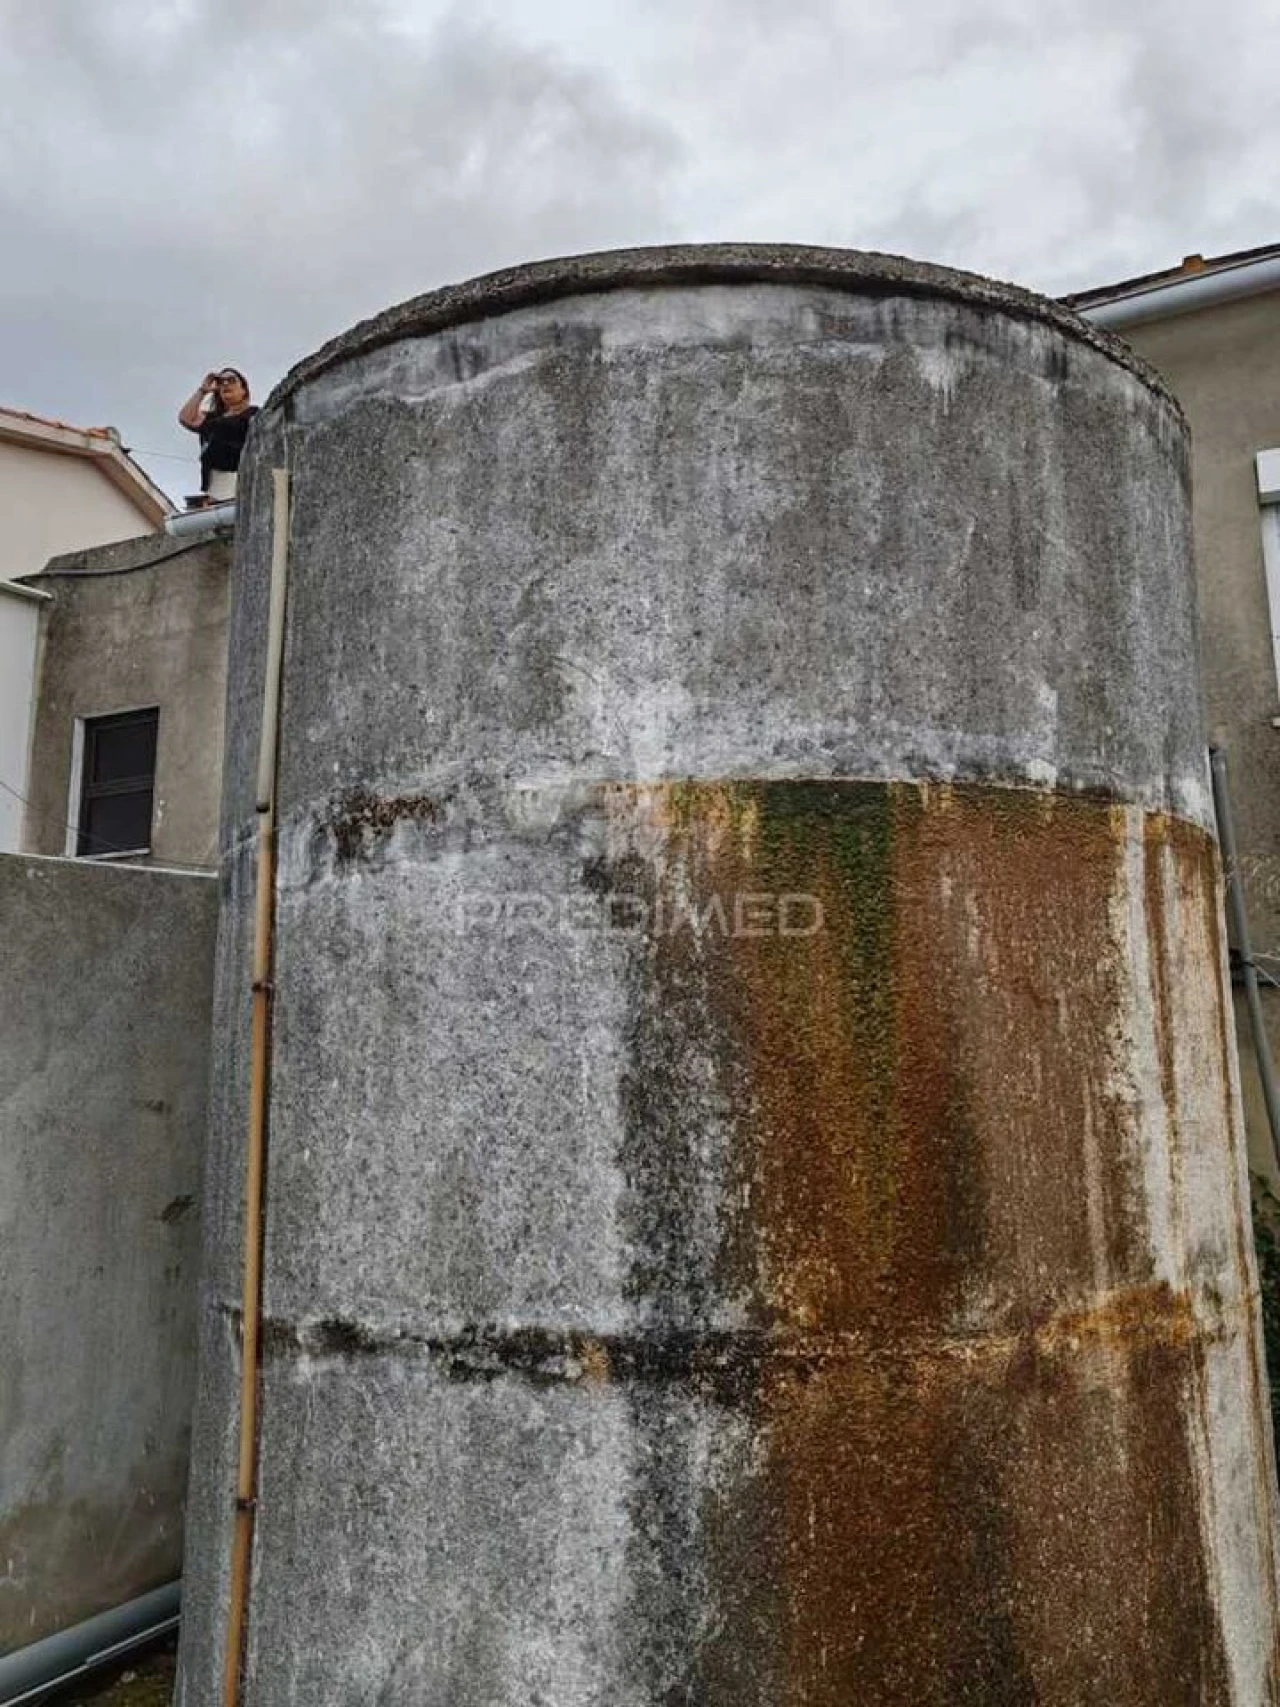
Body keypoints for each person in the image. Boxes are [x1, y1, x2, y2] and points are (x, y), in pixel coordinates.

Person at [177, 368, 257, 505]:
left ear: (243, 390)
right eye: (221, 382)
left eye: (231, 380)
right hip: (215, 491)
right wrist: (203, 390)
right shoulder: (212, 419)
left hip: (240, 484)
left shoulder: (253, 415)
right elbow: (186, 418)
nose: (225, 384)